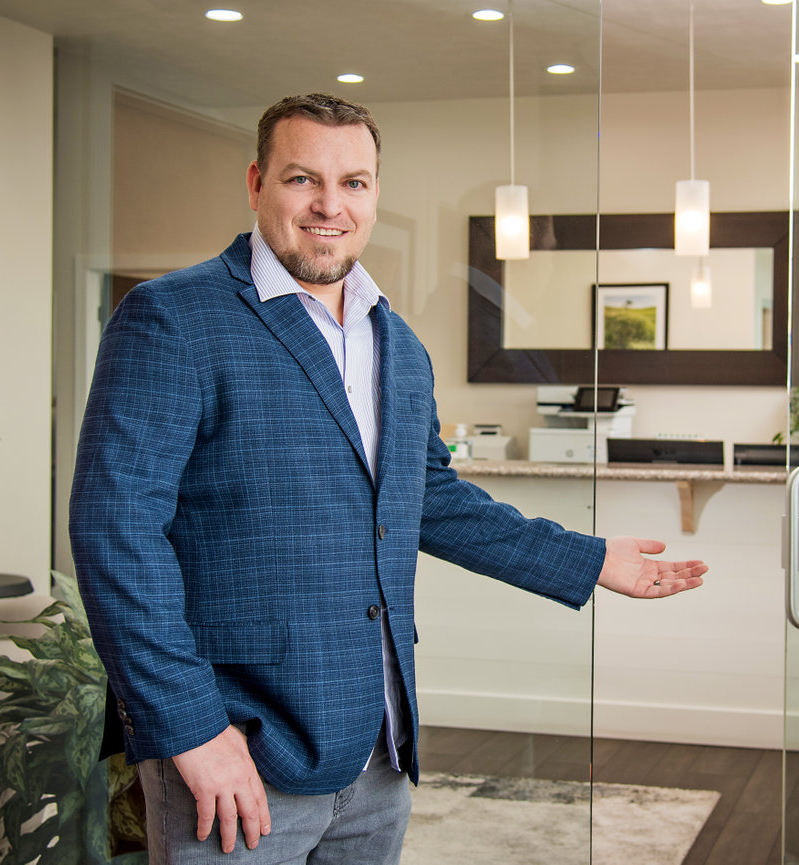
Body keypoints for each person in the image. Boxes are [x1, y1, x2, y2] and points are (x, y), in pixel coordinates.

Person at [68, 93, 707, 865]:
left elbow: (427, 496)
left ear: (374, 193)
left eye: (355, 183)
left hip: (378, 747)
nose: (330, 205)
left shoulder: (395, 340)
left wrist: (591, 558)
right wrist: (191, 728)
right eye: (304, 178)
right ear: (257, 182)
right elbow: (115, 532)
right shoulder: (172, 318)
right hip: (236, 749)